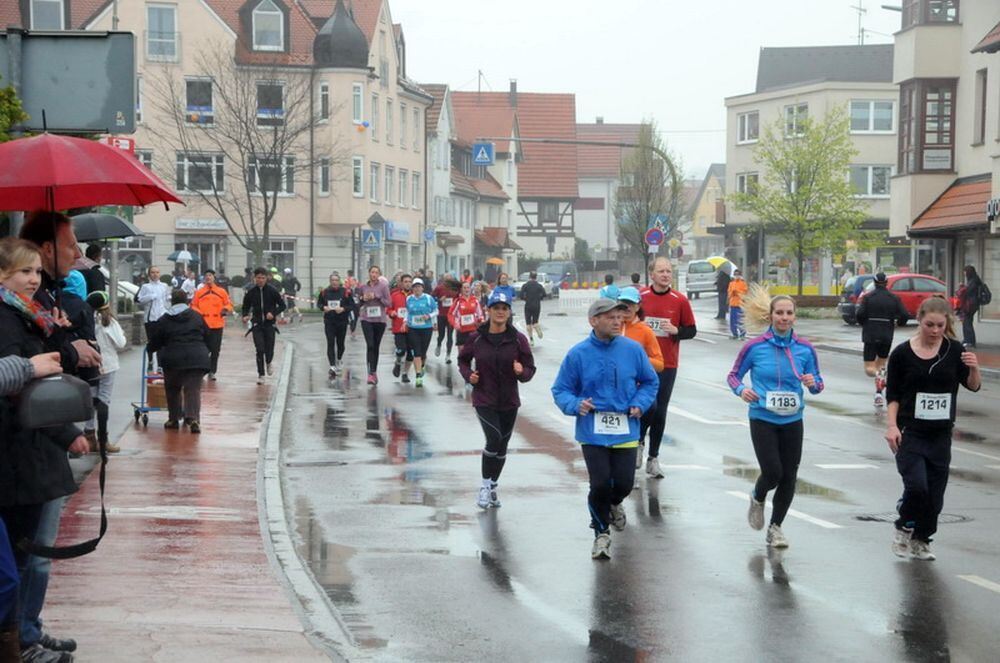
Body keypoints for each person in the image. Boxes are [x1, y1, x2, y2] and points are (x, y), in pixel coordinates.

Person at [0, 237, 89, 663]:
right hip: (21, 449)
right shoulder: (8, 318)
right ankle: (20, 641)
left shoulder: (30, 313)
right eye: (25, 272)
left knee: (26, 556)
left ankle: (24, 634)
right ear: (3, 275)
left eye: (36, 271)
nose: (34, 279)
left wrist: (61, 333)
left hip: (34, 447)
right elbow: (24, 386)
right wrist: (65, 430)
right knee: (19, 560)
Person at [551, 298, 659, 560]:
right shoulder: (578, 354)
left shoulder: (632, 350)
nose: (617, 321)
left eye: (619, 316)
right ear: (594, 321)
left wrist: (639, 404)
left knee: (623, 484)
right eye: (610, 317)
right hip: (593, 431)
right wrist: (576, 404)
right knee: (599, 484)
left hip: (626, 429)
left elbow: (650, 382)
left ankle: (614, 504)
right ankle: (601, 534)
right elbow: (561, 389)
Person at [885, 297, 980, 561]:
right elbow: (892, 393)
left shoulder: (955, 350)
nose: (935, 330)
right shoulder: (902, 354)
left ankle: (922, 539)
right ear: (920, 320)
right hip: (910, 431)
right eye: (930, 325)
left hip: (940, 434)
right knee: (917, 487)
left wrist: (974, 367)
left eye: (940, 325)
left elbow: (972, 385)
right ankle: (904, 525)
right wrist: (892, 426)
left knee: (935, 498)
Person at [726, 293, 824, 549]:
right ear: (770, 316)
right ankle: (757, 496)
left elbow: (818, 384)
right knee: (773, 472)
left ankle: (776, 527)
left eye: (789, 313)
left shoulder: (804, 348)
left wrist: (813, 384)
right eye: (779, 313)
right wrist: (741, 391)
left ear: (795, 316)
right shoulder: (755, 347)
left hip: (793, 419)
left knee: (790, 475)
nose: (784, 317)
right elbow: (734, 376)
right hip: (763, 417)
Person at [0, 351, 64, 662]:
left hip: (29, 456)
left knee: (10, 574)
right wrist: (26, 367)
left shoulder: (36, 315)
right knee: (12, 570)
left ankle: (22, 638)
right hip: (19, 458)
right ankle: (22, 639)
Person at [458, 290, 536, 509]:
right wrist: (469, 376)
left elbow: (530, 368)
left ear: (509, 312)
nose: (500, 312)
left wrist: (522, 372)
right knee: (493, 438)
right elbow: (463, 361)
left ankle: (493, 486)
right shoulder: (477, 337)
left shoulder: (518, 339)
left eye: (504, 309)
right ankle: (484, 487)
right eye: (496, 308)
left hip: (509, 400)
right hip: (484, 397)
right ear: (488, 310)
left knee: (503, 444)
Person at [638, 257, 697, 477]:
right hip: (641, 363)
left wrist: (676, 331)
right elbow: (626, 322)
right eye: (661, 271)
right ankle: (638, 443)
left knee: (660, 410)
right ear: (651, 274)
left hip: (667, 363)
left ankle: (653, 457)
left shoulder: (679, 300)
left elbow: (691, 330)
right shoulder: (641, 297)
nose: (665, 275)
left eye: (669, 271)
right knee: (646, 406)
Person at [147, 289, 211, 432]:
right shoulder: (197, 317)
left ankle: (173, 419)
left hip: (173, 358)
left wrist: (150, 348)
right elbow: (208, 335)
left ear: (172, 301)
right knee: (193, 389)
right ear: (187, 301)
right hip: (197, 357)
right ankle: (193, 418)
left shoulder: (164, 319)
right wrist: (207, 350)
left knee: (173, 388)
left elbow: (156, 341)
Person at [856, 272, 908, 409]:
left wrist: (865, 324)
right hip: (886, 334)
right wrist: (899, 323)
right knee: (881, 365)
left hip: (870, 334)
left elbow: (859, 314)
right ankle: (879, 393)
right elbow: (904, 314)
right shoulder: (894, 298)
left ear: (874, 282)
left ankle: (879, 380)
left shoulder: (868, 298)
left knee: (869, 369)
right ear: (886, 283)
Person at [86, 291, 126, 453]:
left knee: (91, 399)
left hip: (90, 364)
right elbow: (121, 343)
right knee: (104, 401)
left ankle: (89, 435)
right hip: (108, 365)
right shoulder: (109, 322)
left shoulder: (87, 320)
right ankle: (103, 439)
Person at [241, 267, 285, 385]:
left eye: (263, 278)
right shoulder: (251, 292)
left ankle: (269, 362)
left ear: (267, 278)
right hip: (257, 324)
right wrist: (245, 315)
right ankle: (261, 374)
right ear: (254, 278)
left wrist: (273, 313)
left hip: (270, 324)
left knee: (269, 348)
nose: (260, 280)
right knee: (259, 349)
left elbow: (282, 305)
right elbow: (245, 306)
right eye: (258, 278)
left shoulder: (272, 291)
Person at [190, 269, 234, 382]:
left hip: (217, 324)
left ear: (214, 277)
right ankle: (201, 370)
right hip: (203, 324)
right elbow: (193, 305)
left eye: (210, 275)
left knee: (215, 350)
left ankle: (212, 371)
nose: (208, 277)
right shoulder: (199, 292)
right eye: (206, 275)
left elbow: (229, 304)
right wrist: (199, 314)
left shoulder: (221, 291)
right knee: (203, 349)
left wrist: (226, 309)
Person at [356, 266, 391, 385]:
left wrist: (377, 297)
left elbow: (388, 303)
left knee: (375, 346)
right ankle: (370, 373)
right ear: (369, 273)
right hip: (366, 319)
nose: (374, 274)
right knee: (370, 345)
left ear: (379, 274)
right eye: (372, 272)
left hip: (380, 320)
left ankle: (374, 371)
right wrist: (363, 298)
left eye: (376, 272)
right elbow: (358, 302)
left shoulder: (383, 286)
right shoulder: (363, 287)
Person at [618, 287, 664, 372]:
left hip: (635, 383)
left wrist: (638, 358)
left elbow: (660, 365)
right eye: (624, 303)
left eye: (631, 304)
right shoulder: (610, 327)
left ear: (638, 307)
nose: (627, 307)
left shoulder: (646, 331)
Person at [318, 273, 355, 376]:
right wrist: (323, 308)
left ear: (339, 281)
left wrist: (343, 309)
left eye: (336, 280)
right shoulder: (325, 292)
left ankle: (339, 359)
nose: (334, 282)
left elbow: (352, 305)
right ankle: (332, 366)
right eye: (332, 280)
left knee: (340, 344)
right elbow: (319, 303)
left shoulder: (346, 292)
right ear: (330, 281)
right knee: (330, 343)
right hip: (329, 322)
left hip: (341, 321)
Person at [403, 278, 437, 387]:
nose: (417, 289)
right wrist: (404, 322)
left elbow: (436, 310)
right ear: (412, 289)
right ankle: (418, 376)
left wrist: (429, 316)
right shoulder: (409, 299)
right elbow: (407, 312)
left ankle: (421, 366)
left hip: (426, 328)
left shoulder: (428, 298)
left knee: (423, 352)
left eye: (419, 286)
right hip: (413, 328)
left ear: (422, 288)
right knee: (416, 352)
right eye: (415, 287)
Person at [136, 266, 171, 370]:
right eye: (152, 272)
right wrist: (150, 297)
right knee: (151, 341)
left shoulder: (164, 286)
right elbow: (140, 300)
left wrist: (169, 302)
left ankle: (160, 365)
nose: (155, 274)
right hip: (150, 318)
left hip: (162, 317)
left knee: (162, 342)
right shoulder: (146, 287)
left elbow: (167, 299)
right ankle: (150, 361)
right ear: (149, 274)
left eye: (157, 272)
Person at [388, 274, 414, 383]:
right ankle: (398, 362)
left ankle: (405, 374)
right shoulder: (394, 295)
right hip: (399, 328)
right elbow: (388, 308)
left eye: (409, 281)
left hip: (413, 328)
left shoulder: (415, 296)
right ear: (401, 283)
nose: (408, 283)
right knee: (401, 350)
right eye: (406, 281)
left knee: (411, 353)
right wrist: (391, 312)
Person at [449, 280, 484, 349]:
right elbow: (451, 314)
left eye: (468, 287)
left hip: (472, 330)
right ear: (461, 289)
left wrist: (481, 321)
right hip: (461, 330)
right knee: (462, 354)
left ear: (470, 289)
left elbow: (480, 314)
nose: (466, 289)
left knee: (472, 352)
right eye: (464, 288)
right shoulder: (458, 301)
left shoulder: (475, 300)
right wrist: (455, 324)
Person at [432, 275, 459, 363]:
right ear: (444, 280)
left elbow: (459, 298)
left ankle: (448, 355)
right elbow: (431, 298)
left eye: (450, 280)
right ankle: (439, 344)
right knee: (441, 335)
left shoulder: (455, 289)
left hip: (451, 315)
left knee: (450, 335)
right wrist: (439, 299)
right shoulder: (439, 288)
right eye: (447, 280)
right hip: (441, 315)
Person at [956, 265, 983, 349]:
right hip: (971, 304)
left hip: (970, 305)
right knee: (967, 321)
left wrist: (961, 287)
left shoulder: (973, 281)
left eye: (965, 271)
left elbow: (967, 291)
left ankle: (970, 341)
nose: (964, 273)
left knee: (967, 322)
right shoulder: (974, 279)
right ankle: (967, 340)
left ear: (968, 272)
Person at [519, 272, 547, 345]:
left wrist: (526, 299)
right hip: (537, 305)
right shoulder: (539, 285)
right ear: (536, 277)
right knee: (535, 321)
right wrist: (539, 298)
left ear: (529, 277)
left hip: (528, 305)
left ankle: (531, 340)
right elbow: (544, 294)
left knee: (528, 323)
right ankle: (537, 328)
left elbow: (521, 295)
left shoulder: (525, 285)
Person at [727, 268, 748, 340]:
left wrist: (737, 292)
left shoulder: (743, 283)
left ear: (740, 275)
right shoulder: (731, 283)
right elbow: (729, 293)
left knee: (740, 320)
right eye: (735, 274)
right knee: (733, 320)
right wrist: (732, 293)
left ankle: (742, 334)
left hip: (740, 304)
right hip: (733, 304)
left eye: (738, 274)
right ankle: (734, 334)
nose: (736, 276)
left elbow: (745, 293)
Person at [344, 270, 360, 339]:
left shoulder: (358, 290)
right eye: (351, 281)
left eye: (354, 281)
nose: (353, 282)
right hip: (351, 307)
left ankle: (353, 330)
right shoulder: (348, 290)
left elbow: (360, 298)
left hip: (357, 307)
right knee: (352, 319)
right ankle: (352, 332)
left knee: (355, 319)